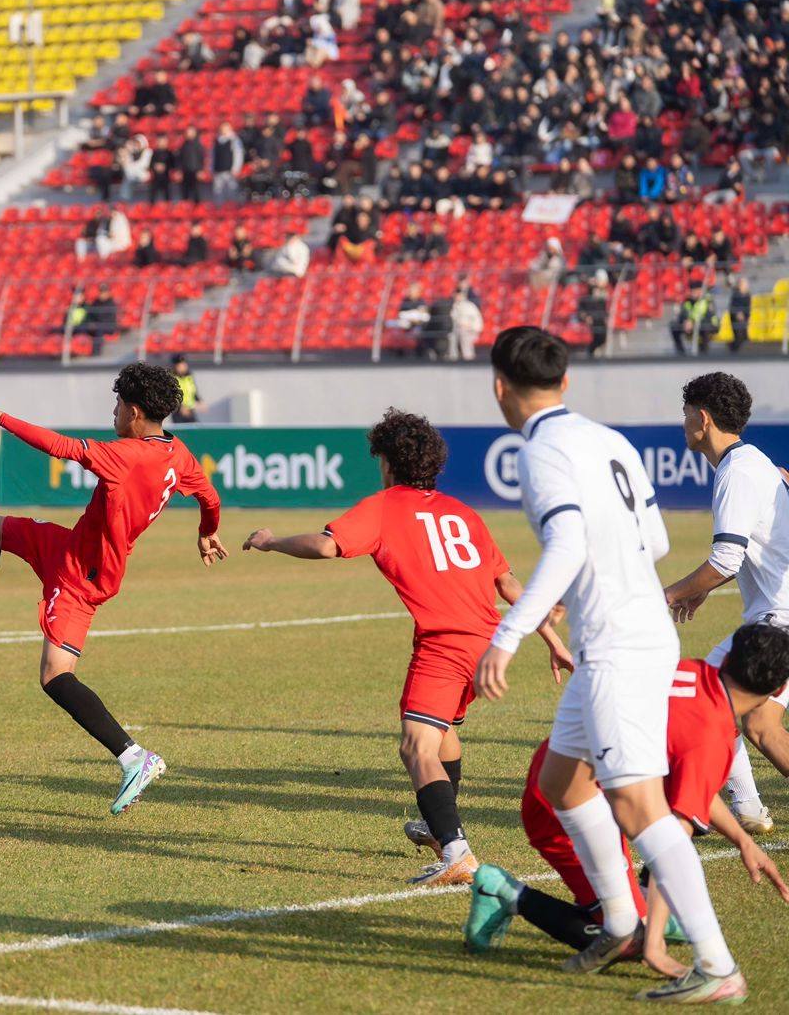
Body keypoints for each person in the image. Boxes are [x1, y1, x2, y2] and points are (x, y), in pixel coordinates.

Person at [476, 326, 743, 1001]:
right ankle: (621, 921)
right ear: (565, 381)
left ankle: (718, 966)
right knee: (563, 783)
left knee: (638, 805)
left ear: (499, 387)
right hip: (631, 632)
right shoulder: (609, 439)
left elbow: (567, 541)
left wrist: (510, 631)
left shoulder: (540, 451)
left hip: (618, 644)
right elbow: (655, 541)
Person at [246, 410, 570, 886]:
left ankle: (457, 853)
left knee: (416, 745)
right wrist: (553, 638)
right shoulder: (463, 512)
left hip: (445, 644)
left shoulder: (384, 506)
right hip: (488, 642)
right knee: (442, 734)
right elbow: (507, 583)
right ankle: (440, 830)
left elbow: (326, 546)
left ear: (388, 462)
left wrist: (272, 541)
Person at [0, 368, 225, 813]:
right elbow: (211, 499)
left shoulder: (124, 455)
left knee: (55, 676)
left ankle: (135, 758)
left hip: (84, 575)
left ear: (134, 413)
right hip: (70, 547)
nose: (113, 412)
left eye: (117, 405)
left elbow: (59, 446)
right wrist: (207, 532)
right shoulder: (178, 453)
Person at [465, 628, 789, 971]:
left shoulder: (691, 670)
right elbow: (672, 844)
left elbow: (691, 790)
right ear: (779, 691)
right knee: (627, 939)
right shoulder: (711, 736)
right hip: (565, 807)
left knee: (647, 897)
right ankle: (503, 891)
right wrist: (653, 946)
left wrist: (742, 840)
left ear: (727, 659)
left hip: (569, 770)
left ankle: (644, 913)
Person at [662, 374, 789, 836]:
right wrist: (701, 588)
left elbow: (726, 558)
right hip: (775, 617)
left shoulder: (737, 472)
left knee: (735, 713)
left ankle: (726, 805)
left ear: (703, 418)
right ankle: (747, 808)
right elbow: (749, 550)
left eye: (685, 414)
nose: (683, 423)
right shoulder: (753, 463)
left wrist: (670, 595)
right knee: (734, 711)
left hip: (778, 622)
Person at [670, 289, 716, 356]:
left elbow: (709, 317)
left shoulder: (707, 301)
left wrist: (693, 322)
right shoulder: (687, 302)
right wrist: (686, 321)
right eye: (693, 291)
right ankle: (680, 351)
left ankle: (704, 352)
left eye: (696, 291)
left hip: (707, 325)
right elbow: (683, 314)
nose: (694, 293)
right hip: (690, 326)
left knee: (705, 328)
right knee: (674, 326)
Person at [576, 270, 610, 358]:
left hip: (600, 320)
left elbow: (606, 308)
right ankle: (591, 351)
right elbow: (580, 310)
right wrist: (585, 317)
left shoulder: (603, 296)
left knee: (601, 336)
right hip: (591, 320)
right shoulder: (586, 297)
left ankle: (593, 349)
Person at [171, 355, 204, 423]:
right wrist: (181, 407)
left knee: (195, 427)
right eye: (180, 365)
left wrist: (199, 401)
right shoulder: (172, 379)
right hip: (178, 413)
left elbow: (193, 391)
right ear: (175, 366)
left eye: (184, 365)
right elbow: (172, 396)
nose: (183, 367)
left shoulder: (189, 377)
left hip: (190, 410)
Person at [726, 278, 752, 353]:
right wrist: (738, 313)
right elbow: (733, 306)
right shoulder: (736, 294)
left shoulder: (747, 295)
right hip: (737, 318)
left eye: (745, 284)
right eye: (742, 284)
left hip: (745, 318)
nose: (744, 286)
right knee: (739, 335)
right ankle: (732, 348)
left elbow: (748, 307)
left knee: (744, 336)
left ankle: (733, 347)